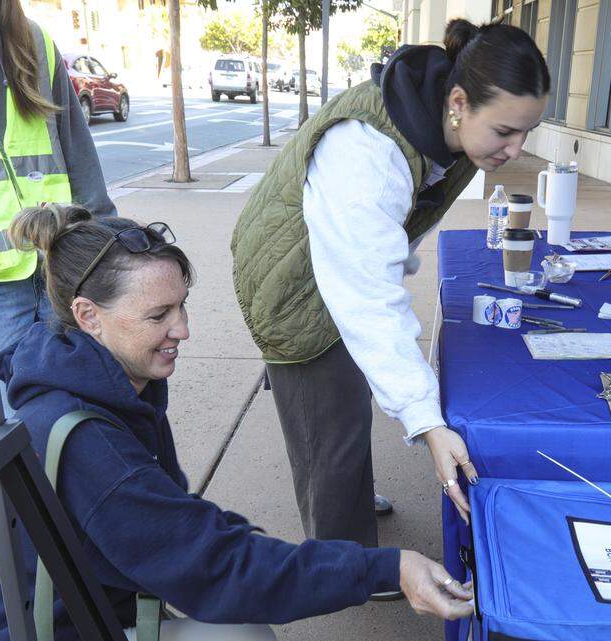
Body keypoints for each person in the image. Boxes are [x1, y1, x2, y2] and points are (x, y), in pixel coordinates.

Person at [0, 205, 474, 641]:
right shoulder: (89, 441)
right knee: (240, 633)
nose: (182, 329)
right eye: (158, 315)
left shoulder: (99, 379)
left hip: (91, 607)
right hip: (50, 629)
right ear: (88, 315)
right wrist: (389, 568)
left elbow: (181, 524)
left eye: (181, 306)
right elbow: (216, 567)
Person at [230, 18, 550, 596]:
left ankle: (349, 505)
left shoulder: (439, 123)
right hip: (290, 288)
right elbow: (368, 302)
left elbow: (381, 242)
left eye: (526, 133)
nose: (516, 149)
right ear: (459, 102)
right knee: (326, 426)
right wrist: (428, 423)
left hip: (332, 266)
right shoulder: (366, 150)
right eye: (505, 131)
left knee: (348, 403)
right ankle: (342, 566)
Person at [0, 0, 115, 420]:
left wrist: (101, 249)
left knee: (74, 410)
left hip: (59, 264)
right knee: (2, 428)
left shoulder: (34, 40)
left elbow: (77, 151)